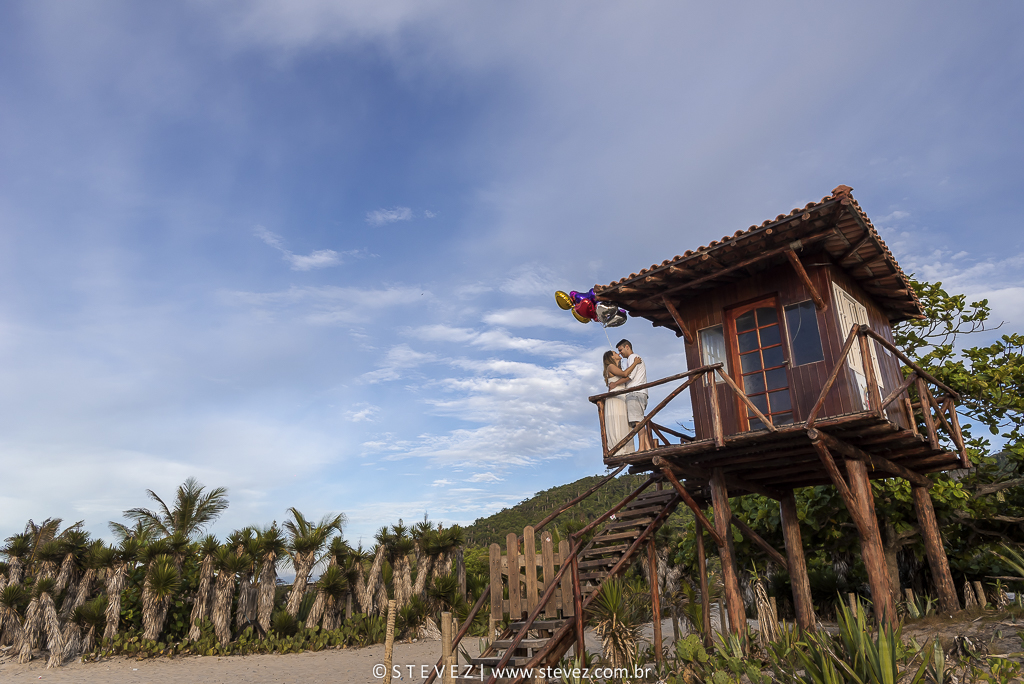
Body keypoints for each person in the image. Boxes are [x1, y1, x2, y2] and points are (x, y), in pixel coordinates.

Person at [616, 339, 652, 451]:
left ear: (627, 347)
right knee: (639, 420)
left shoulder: (633, 357)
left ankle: (641, 448)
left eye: (620, 350)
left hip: (635, 392)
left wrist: (615, 384)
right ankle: (647, 446)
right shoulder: (634, 358)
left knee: (638, 421)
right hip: (640, 392)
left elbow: (629, 376)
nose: (620, 353)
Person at [602, 350, 640, 456]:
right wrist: (635, 363)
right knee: (617, 422)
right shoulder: (610, 366)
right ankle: (618, 450)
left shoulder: (617, 368)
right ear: (611, 357)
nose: (618, 354)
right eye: (615, 353)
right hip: (616, 397)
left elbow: (627, 376)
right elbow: (625, 374)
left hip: (622, 396)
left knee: (624, 422)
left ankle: (626, 449)